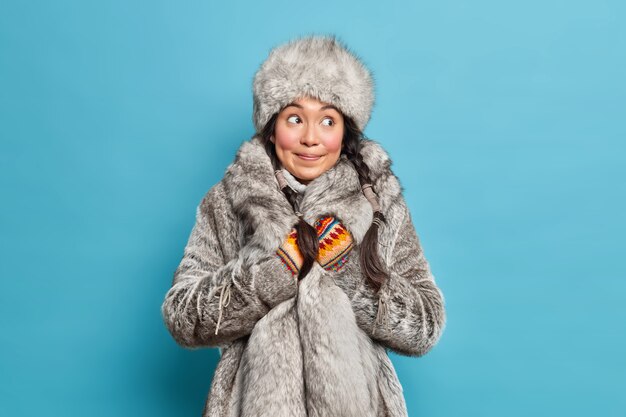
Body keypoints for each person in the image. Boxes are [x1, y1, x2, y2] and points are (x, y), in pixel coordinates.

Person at [161, 34, 447, 417]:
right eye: (295, 119)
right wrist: (271, 276)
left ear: (344, 130)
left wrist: (348, 270)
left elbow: (425, 325)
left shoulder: (378, 200)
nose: (311, 138)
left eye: (327, 120)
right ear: (271, 125)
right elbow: (182, 316)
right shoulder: (229, 200)